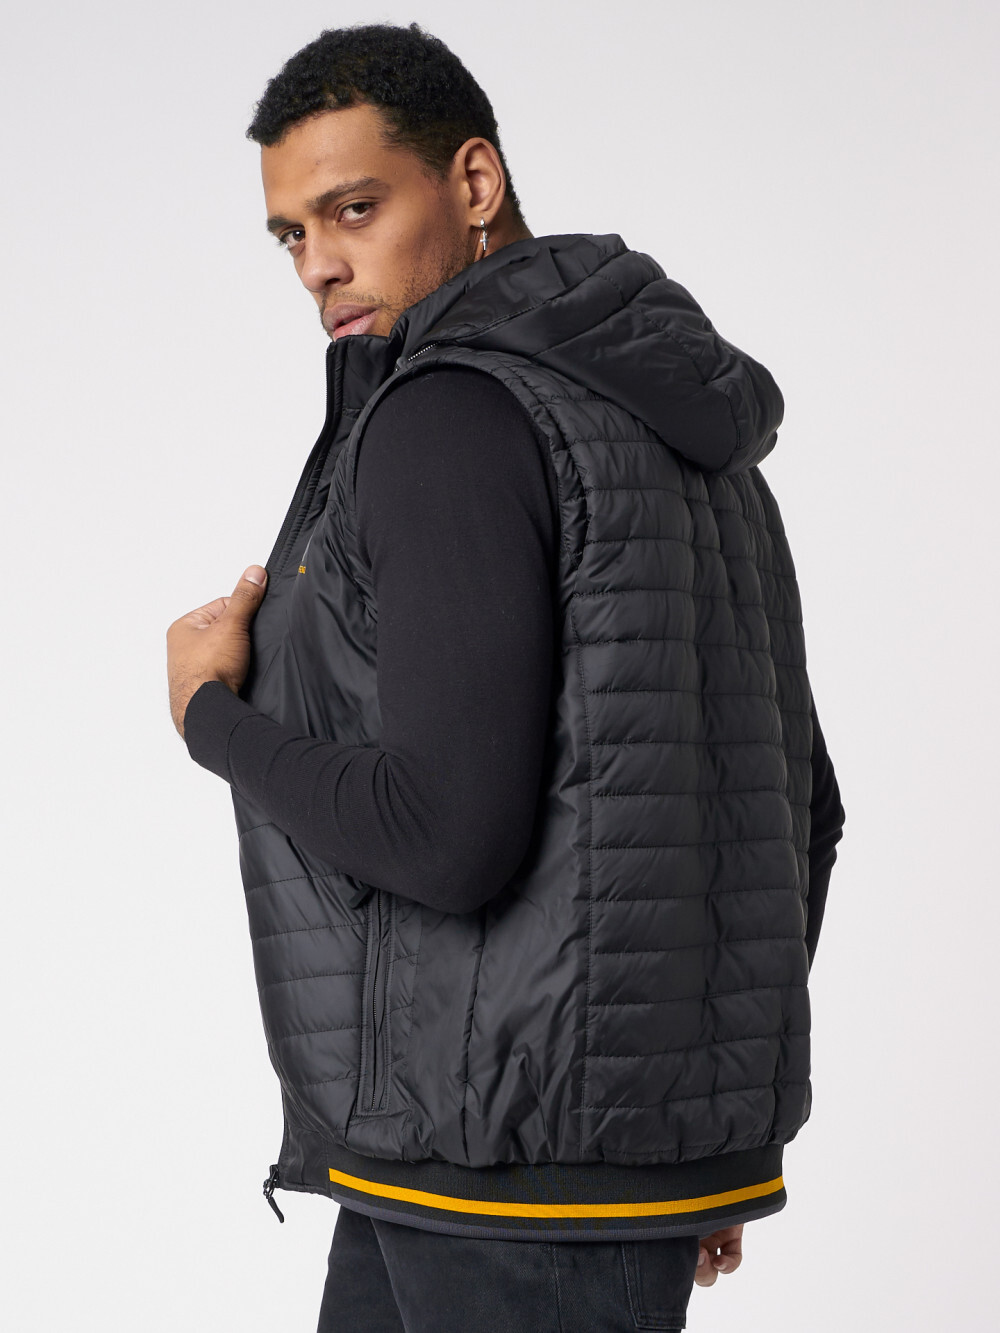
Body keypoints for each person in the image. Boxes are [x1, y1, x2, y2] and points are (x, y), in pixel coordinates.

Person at [165, 21, 846, 1333]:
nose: (319, 266)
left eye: (353, 209)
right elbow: (792, 806)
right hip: (504, 1163)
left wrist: (211, 717)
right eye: (290, 234)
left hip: (499, 1164)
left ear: (473, 183)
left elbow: (447, 837)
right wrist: (691, 1131)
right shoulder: (682, 433)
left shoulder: (446, 415)